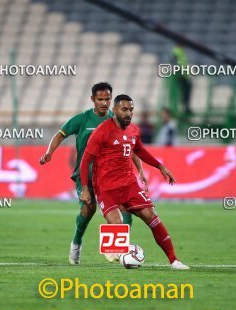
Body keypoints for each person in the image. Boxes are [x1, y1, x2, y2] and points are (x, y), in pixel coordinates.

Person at [39, 83, 147, 265]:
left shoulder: (117, 120)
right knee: (88, 209)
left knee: (126, 208)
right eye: (100, 99)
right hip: (86, 175)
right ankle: (76, 242)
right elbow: (60, 135)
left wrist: (141, 169)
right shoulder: (82, 119)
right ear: (92, 100)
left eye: (107, 99)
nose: (104, 103)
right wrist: (50, 152)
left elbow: (132, 147)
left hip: (111, 176)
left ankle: (120, 248)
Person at [79, 94, 189, 270]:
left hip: (129, 184)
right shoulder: (101, 131)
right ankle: (115, 249)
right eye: (124, 109)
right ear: (114, 110)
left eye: (131, 109)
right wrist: (85, 188)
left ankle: (174, 260)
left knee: (151, 216)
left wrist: (159, 166)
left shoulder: (134, 131)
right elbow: (85, 161)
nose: (128, 113)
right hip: (106, 188)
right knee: (118, 222)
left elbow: (140, 151)